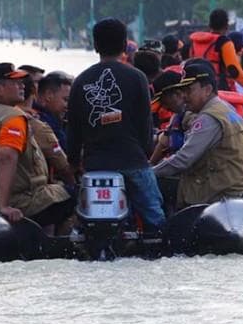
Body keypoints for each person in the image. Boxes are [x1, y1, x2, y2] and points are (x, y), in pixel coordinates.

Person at [67, 18, 166, 231]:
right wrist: (146, 154)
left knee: (81, 221)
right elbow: (145, 124)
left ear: (95, 46)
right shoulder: (137, 77)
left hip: (95, 165)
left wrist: (74, 163)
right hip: (133, 161)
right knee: (155, 216)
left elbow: (73, 129)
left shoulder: (81, 81)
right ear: (124, 45)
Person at [0, 62, 74, 227]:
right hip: (10, 201)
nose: (22, 86)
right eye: (16, 82)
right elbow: (6, 157)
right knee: (77, 194)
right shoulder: (13, 119)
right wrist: (5, 206)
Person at [153, 63, 243, 209]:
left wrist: (149, 174)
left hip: (221, 193)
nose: (184, 96)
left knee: (151, 186)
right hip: (235, 188)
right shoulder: (225, 108)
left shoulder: (208, 118)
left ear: (207, 89)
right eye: (182, 91)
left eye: (188, 91)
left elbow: (183, 160)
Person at [189, 9, 243, 95]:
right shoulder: (224, 42)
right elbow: (234, 70)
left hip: (196, 92)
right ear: (227, 26)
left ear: (209, 25)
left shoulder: (195, 42)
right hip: (219, 91)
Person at [149, 70, 191, 165]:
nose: (165, 107)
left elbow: (187, 155)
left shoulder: (193, 116)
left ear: (177, 94)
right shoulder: (177, 115)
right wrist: (150, 166)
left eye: (165, 102)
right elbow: (164, 141)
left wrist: (156, 171)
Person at [36, 71, 72, 151]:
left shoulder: (55, 120)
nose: (68, 106)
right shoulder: (42, 123)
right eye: (66, 100)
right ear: (49, 95)